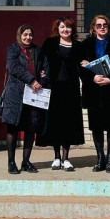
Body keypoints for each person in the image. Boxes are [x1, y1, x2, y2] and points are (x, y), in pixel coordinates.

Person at [80, 14, 110, 173]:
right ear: (93, 28)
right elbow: (80, 67)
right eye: (98, 25)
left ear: (109, 27)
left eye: (105, 25)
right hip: (93, 92)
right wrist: (92, 77)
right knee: (96, 127)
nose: (102, 27)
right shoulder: (86, 44)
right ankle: (100, 159)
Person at [36, 16, 85, 171]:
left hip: (71, 90)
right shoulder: (50, 43)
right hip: (53, 88)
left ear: (72, 29)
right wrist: (41, 73)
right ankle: (57, 157)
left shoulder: (78, 46)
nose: (65, 30)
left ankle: (66, 158)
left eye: (68, 27)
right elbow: (40, 61)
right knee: (55, 123)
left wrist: (86, 64)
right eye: (62, 27)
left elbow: (83, 65)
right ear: (57, 29)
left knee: (68, 123)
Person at [2, 24, 49, 175]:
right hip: (15, 94)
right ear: (20, 35)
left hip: (34, 94)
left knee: (31, 128)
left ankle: (26, 162)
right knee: (13, 128)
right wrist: (31, 79)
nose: (28, 37)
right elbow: (14, 68)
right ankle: (11, 162)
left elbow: (46, 68)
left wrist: (42, 80)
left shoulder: (38, 50)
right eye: (25, 35)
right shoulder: (13, 49)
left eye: (30, 35)